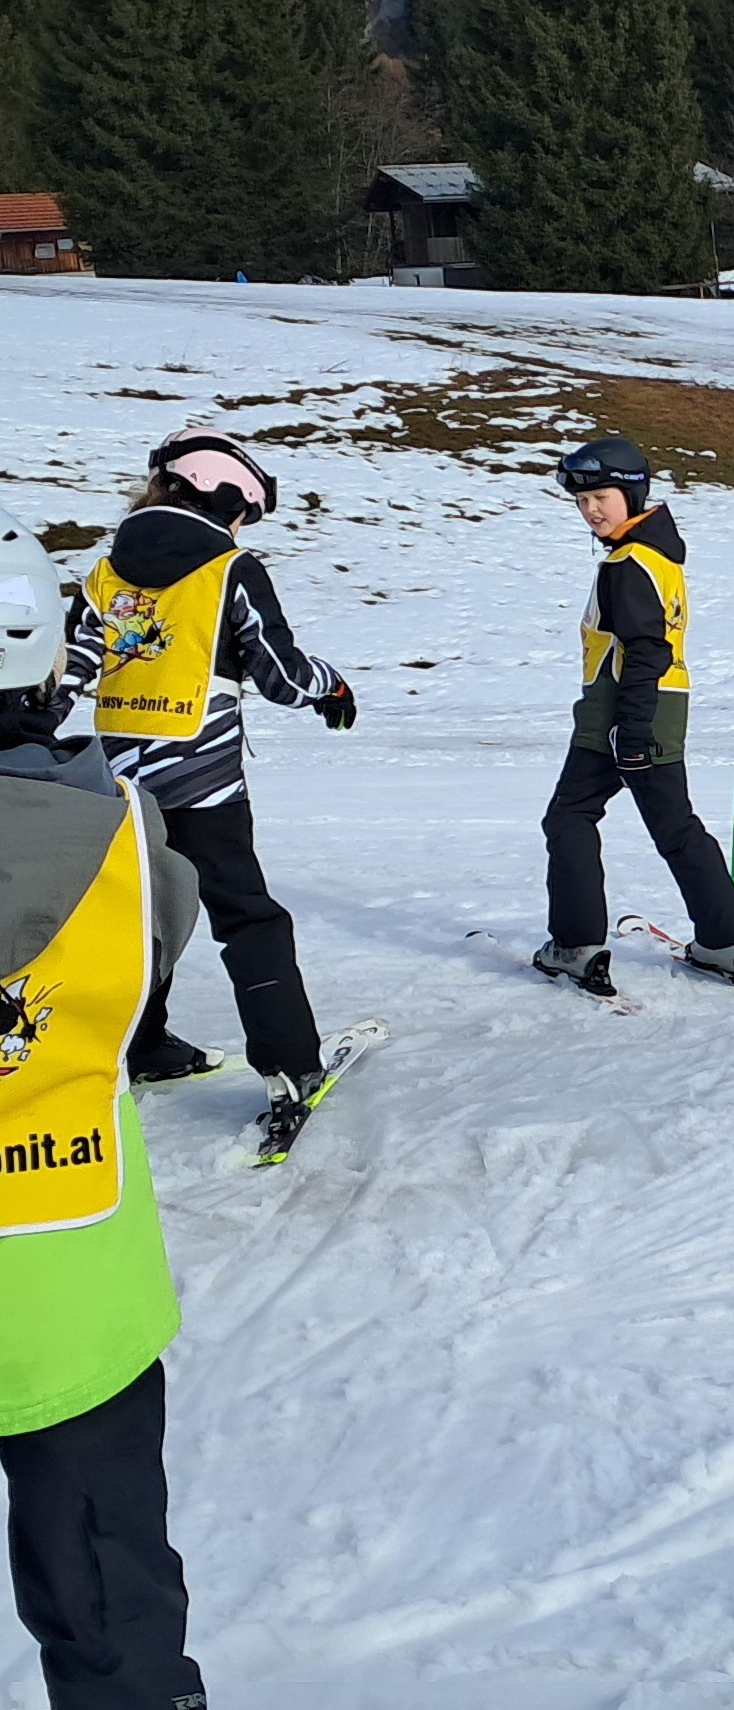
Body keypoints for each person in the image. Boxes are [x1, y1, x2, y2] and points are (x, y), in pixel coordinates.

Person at [0, 507, 208, 1710]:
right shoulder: (130, 836)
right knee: (115, 1611)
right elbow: (152, 970)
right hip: (80, 1305)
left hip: (81, 1313)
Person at [57, 430, 356, 1144]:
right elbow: (281, 676)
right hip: (204, 780)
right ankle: (291, 1065)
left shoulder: (106, 572)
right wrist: (332, 687)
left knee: (142, 916)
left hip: (119, 780)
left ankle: (140, 1044)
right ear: (229, 503)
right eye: (244, 515)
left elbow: (64, 669)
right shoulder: (232, 569)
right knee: (247, 918)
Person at [535, 438, 734, 998]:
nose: (591, 510)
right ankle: (724, 943)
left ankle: (576, 946)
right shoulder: (658, 557)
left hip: (619, 714)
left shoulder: (627, 564)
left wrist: (630, 730)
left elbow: (646, 649)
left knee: (569, 818)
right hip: (659, 710)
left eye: (602, 497)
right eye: (582, 501)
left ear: (632, 494)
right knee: (676, 827)